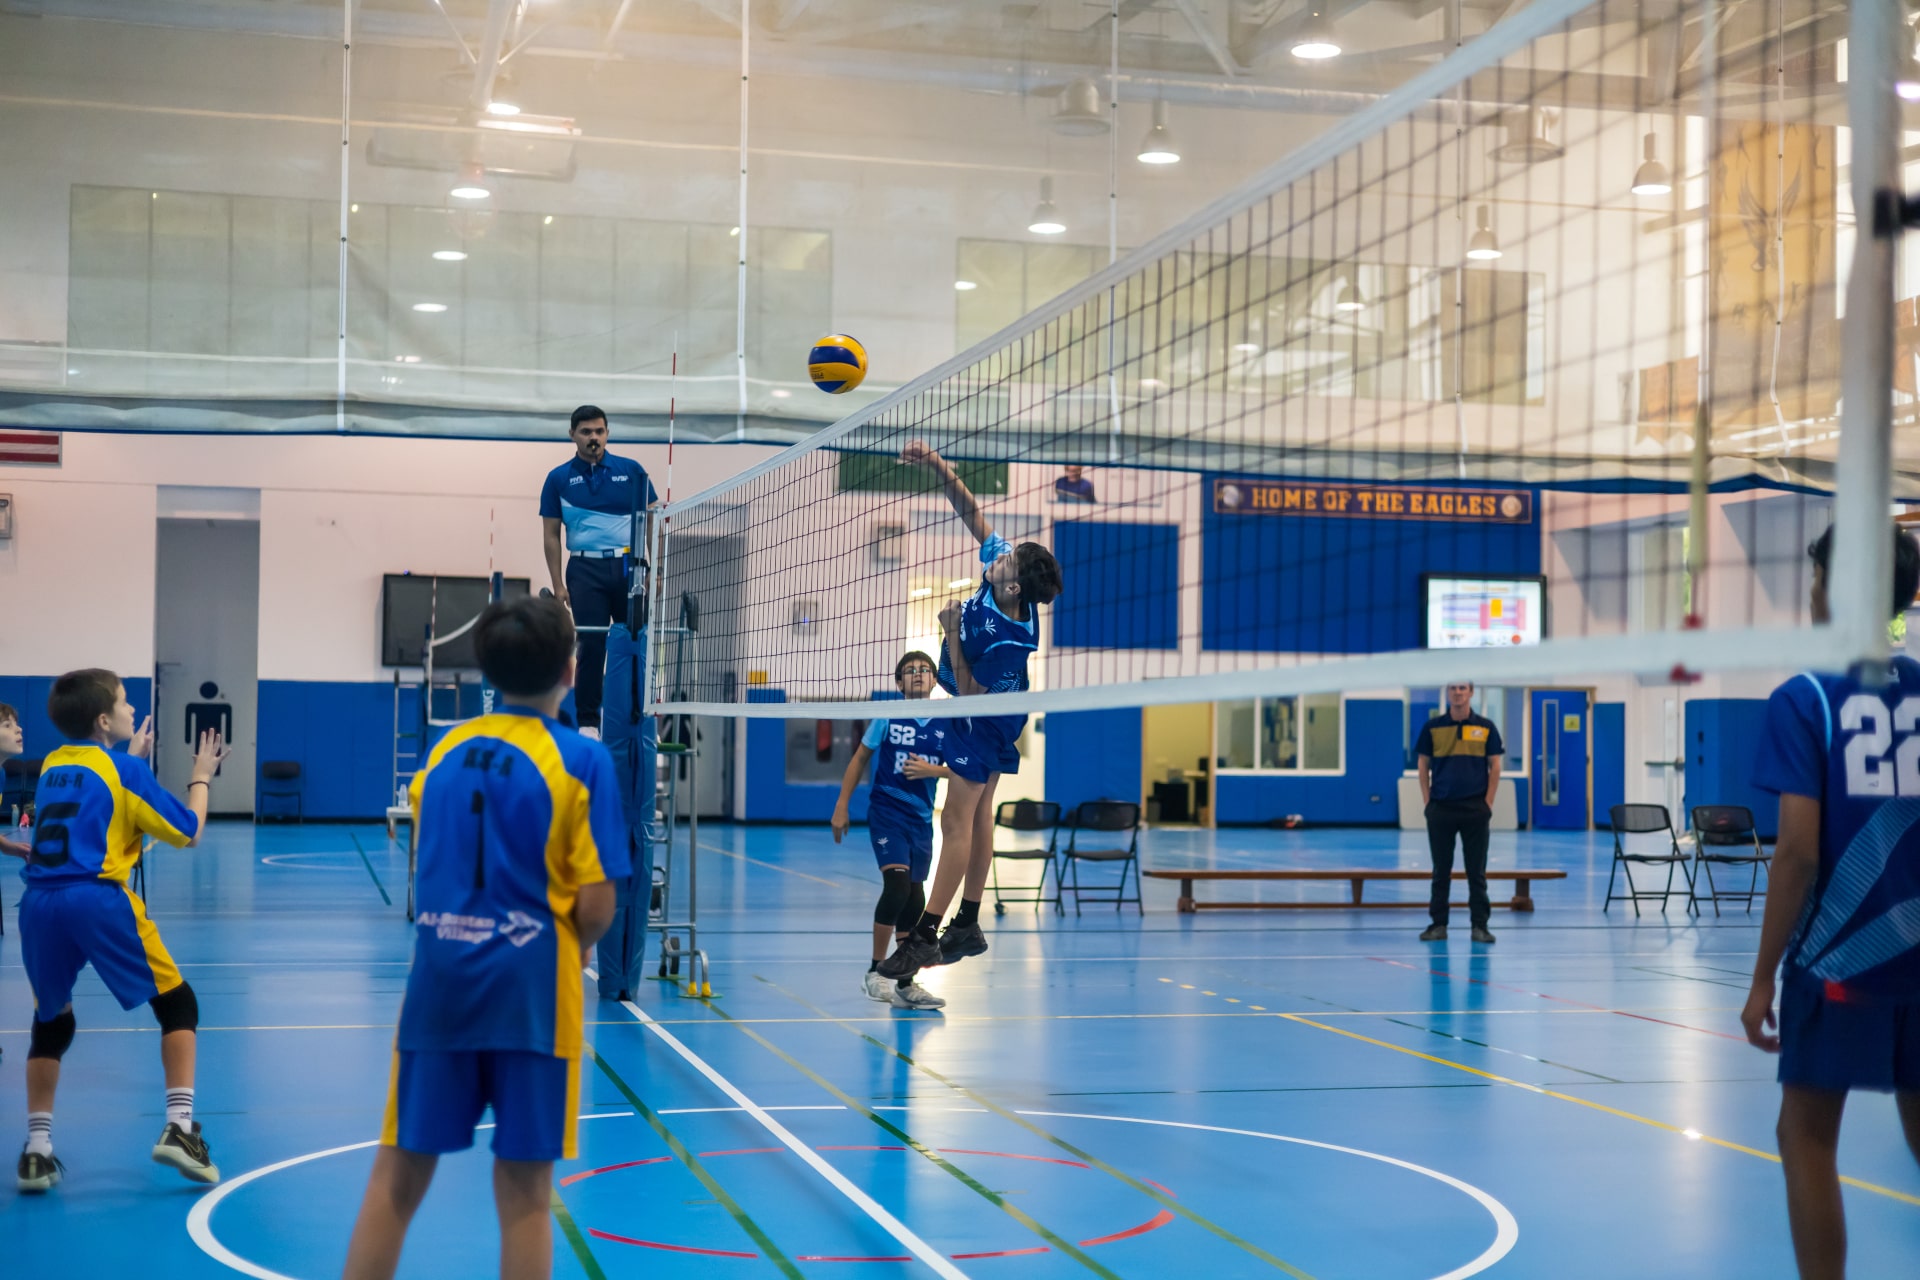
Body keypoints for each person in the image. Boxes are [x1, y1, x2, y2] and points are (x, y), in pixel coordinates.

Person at [343, 595, 626, 1280]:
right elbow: (597, 905)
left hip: (439, 984)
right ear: (571, 667)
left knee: (396, 1176)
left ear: (485, 669)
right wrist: (577, 937)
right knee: (526, 1195)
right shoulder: (582, 760)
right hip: (533, 993)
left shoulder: (444, 750)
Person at [1742, 524, 1920, 1280]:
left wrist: (1761, 978)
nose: (1810, 591)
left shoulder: (1806, 697)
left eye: (1816, 576)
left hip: (1840, 961)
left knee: (1806, 1136)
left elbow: (1798, 852)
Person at [16, 670, 226, 1193]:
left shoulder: (53, 765)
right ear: (104, 720)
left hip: (38, 904)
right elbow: (189, 832)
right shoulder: (126, 770)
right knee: (178, 1005)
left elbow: (94, 794)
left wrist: (125, 757)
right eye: (125, 702)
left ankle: (37, 1151)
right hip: (95, 899)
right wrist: (201, 776)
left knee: (52, 1024)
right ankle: (180, 1130)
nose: (133, 709)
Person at [880, 442, 1063, 978]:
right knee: (979, 817)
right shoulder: (1002, 577)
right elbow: (971, 513)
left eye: (1003, 559)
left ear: (1013, 585)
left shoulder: (1011, 638)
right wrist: (938, 466)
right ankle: (968, 922)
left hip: (984, 720)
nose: (995, 554)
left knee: (955, 820)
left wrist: (951, 631)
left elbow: (967, 691)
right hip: (987, 715)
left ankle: (925, 935)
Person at [830, 651, 950, 1011]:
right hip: (887, 812)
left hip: (921, 820)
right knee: (897, 885)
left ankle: (905, 983)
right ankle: (875, 972)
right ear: (899, 683)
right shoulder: (887, 715)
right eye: (910, 671)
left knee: (914, 897)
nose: (919, 674)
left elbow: (966, 769)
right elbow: (859, 759)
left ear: (934, 680)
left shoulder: (948, 722)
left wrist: (933, 771)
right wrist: (841, 805)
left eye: (925, 670)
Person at [538, 404, 658, 741]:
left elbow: (652, 523)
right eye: (586, 432)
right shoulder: (558, 479)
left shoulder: (632, 471)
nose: (594, 437)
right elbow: (550, 535)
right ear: (572, 435)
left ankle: (639, 718)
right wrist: (558, 584)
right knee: (591, 645)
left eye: (599, 431)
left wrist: (657, 570)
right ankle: (588, 722)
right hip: (584, 569)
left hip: (629, 566)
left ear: (607, 433)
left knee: (634, 641)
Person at [1414, 682, 1503, 944]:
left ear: (1471, 692)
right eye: (1453, 688)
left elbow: (1495, 765)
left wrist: (1488, 803)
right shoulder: (1432, 727)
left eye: (1463, 688)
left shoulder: (1486, 727)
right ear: (1447, 692)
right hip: (1441, 809)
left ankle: (1480, 926)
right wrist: (1428, 802)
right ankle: (1438, 924)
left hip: (1475, 809)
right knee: (1440, 871)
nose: (1458, 692)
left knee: (1477, 872)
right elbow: (1423, 765)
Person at [0, 702, 26, 860]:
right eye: (7, 725)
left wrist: (6, 846)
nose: (19, 729)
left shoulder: (1, 774)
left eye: (16, 724)